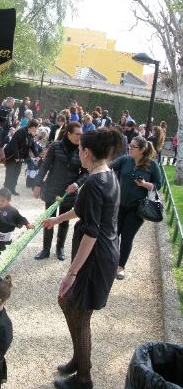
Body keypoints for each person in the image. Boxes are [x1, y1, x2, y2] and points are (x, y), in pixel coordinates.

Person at [42, 127, 123, 389]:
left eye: (80, 150)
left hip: (95, 259)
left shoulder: (94, 183)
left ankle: (84, 378)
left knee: (79, 312)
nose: (79, 153)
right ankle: (79, 358)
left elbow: (91, 233)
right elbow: (81, 209)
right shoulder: (106, 175)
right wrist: (58, 219)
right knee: (69, 304)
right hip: (103, 255)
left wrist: (71, 273)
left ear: (87, 152)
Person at [110, 136, 162, 280]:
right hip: (119, 205)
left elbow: (158, 184)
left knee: (127, 238)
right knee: (113, 234)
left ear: (143, 149)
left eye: (134, 147)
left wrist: (145, 185)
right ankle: (110, 262)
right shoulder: (125, 160)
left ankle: (120, 267)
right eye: (130, 146)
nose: (130, 148)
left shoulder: (152, 165)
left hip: (137, 209)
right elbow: (108, 167)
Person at [33, 122, 87, 261]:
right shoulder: (56, 146)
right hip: (52, 188)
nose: (80, 137)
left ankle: (60, 247)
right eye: (77, 134)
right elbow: (45, 165)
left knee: (64, 221)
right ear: (69, 133)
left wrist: (76, 184)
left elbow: (86, 172)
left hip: (68, 192)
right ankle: (46, 249)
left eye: (81, 134)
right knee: (48, 219)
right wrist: (38, 184)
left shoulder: (83, 149)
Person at [0, 188, 34, 256]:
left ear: (9, 200)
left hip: (7, 239)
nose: (0, 202)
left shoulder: (12, 211)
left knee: (5, 254)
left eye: (3, 201)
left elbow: (20, 218)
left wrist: (27, 224)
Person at [3, 119, 40, 196]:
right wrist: (16, 156)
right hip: (12, 156)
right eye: (36, 127)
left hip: (21, 157)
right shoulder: (22, 131)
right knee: (10, 173)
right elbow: (14, 143)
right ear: (33, 127)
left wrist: (37, 156)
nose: (37, 129)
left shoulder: (30, 134)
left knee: (16, 173)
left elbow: (32, 145)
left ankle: (12, 188)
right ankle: (6, 189)